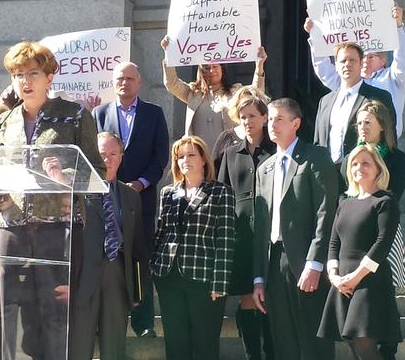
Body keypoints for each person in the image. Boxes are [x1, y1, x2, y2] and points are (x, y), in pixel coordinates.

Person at [0, 40, 105, 360]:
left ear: (49, 77)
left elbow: (97, 170)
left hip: (58, 229)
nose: (25, 81)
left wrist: (67, 176)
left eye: (32, 73)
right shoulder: (5, 122)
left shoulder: (73, 115)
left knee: (53, 314)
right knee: (8, 310)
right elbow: (1, 169)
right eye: (18, 75)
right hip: (11, 226)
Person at [252, 98, 338, 360]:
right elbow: (260, 227)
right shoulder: (264, 168)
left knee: (314, 341)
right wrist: (259, 277)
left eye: (279, 119)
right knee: (283, 340)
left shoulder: (316, 157)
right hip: (274, 264)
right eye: (271, 119)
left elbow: (326, 213)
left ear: (296, 123)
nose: (272, 125)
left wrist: (315, 263)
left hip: (305, 261)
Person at [92, 61, 169, 337]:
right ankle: (104, 320)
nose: (124, 83)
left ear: (139, 83)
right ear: (113, 83)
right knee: (106, 260)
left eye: (130, 79)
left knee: (140, 259)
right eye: (119, 79)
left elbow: (161, 157)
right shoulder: (99, 113)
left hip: (140, 201)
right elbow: (92, 155)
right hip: (105, 202)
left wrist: (139, 184)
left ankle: (143, 322)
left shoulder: (154, 113)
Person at [68, 132, 150, 360]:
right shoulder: (77, 192)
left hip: (117, 277)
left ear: (121, 156)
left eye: (113, 153)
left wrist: (137, 289)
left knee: (114, 348)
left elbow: (137, 248)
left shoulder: (131, 196)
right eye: (102, 154)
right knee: (78, 346)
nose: (108, 159)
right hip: (82, 279)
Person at [151, 136, 234, 360]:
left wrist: (220, 283)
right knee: (176, 345)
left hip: (204, 280)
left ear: (203, 160)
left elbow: (225, 239)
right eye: (180, 157)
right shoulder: (168, 193)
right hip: (169, 278)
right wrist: (153, 268)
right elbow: (161, 232)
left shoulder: (220, 192)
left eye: (191, 155)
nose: (185, 160)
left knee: (205, 345)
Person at [318, 144, 402, 360]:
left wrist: (355, 278)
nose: (359, 168)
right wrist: (334, 277)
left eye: (366, 163)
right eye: (354, 163)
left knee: (364, 343)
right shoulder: (344, 204)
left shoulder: (385, 202)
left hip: (370, 283)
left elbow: (382, 244)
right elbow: (334, 244)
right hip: (343, 282)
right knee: (353, 344)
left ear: (378, 169)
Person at [217, 92, 276, 360]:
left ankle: (273, 352)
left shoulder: (276, 150)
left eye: (252, 115)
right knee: (247, 299)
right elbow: (222, 193)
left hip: (269, 233)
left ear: (265, 117)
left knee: (271, 299)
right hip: (240, 236)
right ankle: (253, 355)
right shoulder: (231, 153)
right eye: (243, 117)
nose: (247, 121)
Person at [304, 3, 405, 138]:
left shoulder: (392, 78)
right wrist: (315, 35)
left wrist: (398, 27)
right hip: (350, 150)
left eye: (371, 56)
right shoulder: (348, 81)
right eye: (362, 57)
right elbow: (324, 70)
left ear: (383, 61)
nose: (366, 60)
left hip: (382, 146)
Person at [160, 35, 267, 148]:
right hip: (199, 158)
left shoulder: (235, 92)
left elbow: (256, 95)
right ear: (201, 72)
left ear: (222, 69)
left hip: (227, 154)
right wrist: (168, 55)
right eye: (206, 67)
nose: (211, 71)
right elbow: (171, 84)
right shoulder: (192, 93)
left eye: (215, 66)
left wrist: (259, 67)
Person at [313, 42, 396, 173]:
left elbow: (389, 138)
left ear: (361, 63)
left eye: (352, 60)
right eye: (343, 61)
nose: (347, 64)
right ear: (335, 65)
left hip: (362, 175)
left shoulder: (378, 97)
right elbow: (318, 142)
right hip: (327, 175)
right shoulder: (325, 101)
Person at [342, 101, 405, 202]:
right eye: (359, 123)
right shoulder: (350, 158)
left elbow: (394, 196)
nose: (362, 127)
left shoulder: (397, 159)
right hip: (351, 212)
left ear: (382, 126)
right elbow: (342, 192)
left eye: (367, 122)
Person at [210, 85, 271, 171]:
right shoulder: (226, 138)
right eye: (242, 103)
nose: (246, 106)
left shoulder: (272, 138)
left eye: (252, 115)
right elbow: (213, 170)